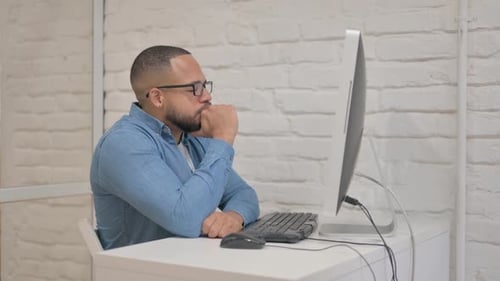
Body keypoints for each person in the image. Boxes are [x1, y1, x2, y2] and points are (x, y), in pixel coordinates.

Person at [90, 45, 260, 249]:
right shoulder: (123, 144)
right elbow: (185, 218)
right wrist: (223, 138)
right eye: (194, 88)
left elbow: (243, 194)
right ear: (157, 98)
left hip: (189, 264)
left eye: (205, 86)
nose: (207, 96)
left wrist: (234, 216)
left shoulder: (189, 135)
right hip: (142, 271)